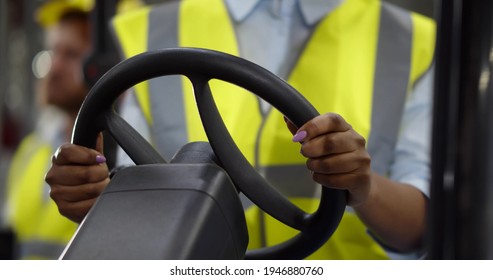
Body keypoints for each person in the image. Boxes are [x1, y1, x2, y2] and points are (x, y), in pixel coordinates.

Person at [46, 0, 436, 259]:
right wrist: (97, 198)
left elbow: (423, 227)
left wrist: (364, 186)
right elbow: (142, 198)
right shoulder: (156, 29)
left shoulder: (410, 41)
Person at [3, 1, 93, 259]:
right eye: (53, 51)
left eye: (72, 55)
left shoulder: (126, 155)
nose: (54, 68)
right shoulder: (32, 148)